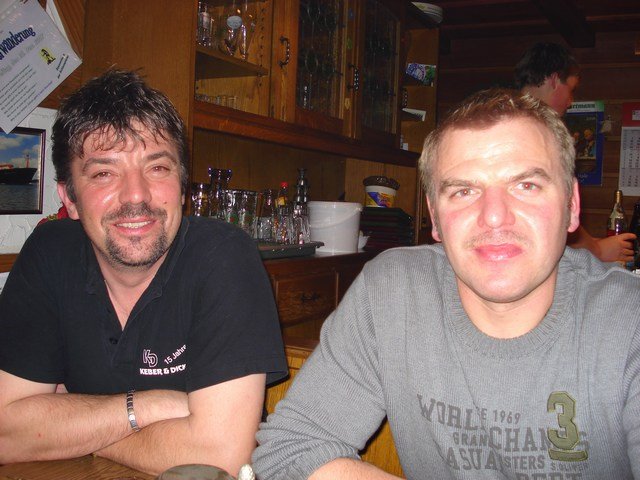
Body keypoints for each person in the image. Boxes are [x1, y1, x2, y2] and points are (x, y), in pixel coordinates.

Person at [252, 89, 640, 479]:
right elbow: (290, 450)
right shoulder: (393, 292)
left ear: (572, 205)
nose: (494, 217)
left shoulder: (629, 321)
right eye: (464, 191)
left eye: (526, 186)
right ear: (435, 216)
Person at [0, 70, 287, 476]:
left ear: (182, 188)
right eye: (104, 173)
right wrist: (148, 407)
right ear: (70, 198)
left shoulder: (224, 255)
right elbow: (5, 432)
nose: (136, 194)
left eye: (157, 168)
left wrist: (69, 428)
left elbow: (220, 457)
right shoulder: (49, 252)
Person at [514, 41, 636, 263]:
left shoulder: (504, 117)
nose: (570, 102)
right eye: (571, 90)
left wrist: (594, 245)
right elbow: (551, 210)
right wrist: (598, 250)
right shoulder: (535, 131)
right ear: (554, 79)